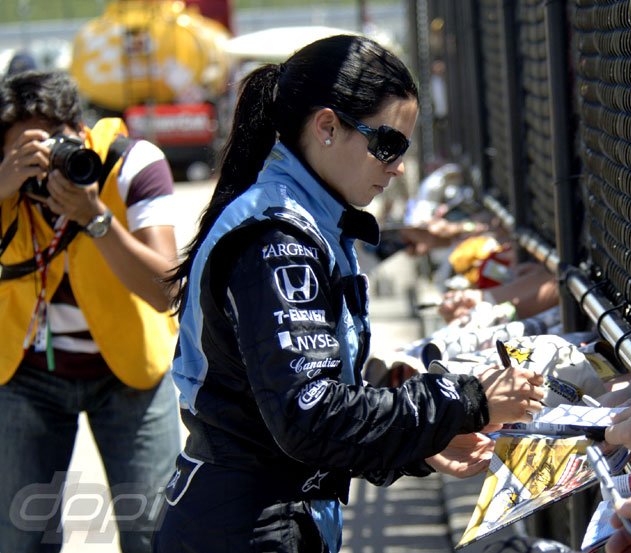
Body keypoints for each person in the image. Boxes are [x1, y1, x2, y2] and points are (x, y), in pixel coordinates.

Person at [155, 34, 545, 552]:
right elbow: (308, 414)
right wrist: (465, 401)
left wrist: (420, 445)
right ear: (327, 127)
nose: (398, 165)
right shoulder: (278, 239)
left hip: (262, 515)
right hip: (245, 525)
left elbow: (318, 397)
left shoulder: (306, 218)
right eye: (388, 144)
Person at [0, 70, 181, 552]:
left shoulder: (132, 163)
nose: (48, 164)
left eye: (56, 143)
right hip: (26, 373)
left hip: (130, 375)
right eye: (29, 152)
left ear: (79, 132)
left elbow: (167, 290)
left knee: (153, 533)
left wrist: (95, 218)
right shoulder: (5, 183)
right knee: (21, 536)